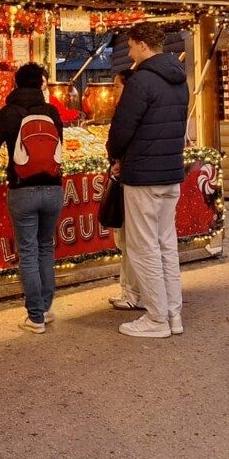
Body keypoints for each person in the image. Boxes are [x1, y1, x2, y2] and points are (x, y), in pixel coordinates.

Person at [106, 21, 190, 338]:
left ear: (142, 45)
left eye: (130, 46)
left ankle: (156, 318)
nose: (128, 52)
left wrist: (115, 154)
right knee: (166, 246)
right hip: (170, 175)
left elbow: (122, 129)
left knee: (143, 248)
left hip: (143, 176)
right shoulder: (178, 80)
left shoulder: (141, 81)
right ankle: (173, 314)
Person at [0, 62, 65, 334]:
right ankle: (46, 309)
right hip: (53, 189)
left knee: (27, 251)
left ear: (15, 84)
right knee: (46, 247)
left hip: (22, 190)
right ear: (41, 84)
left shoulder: (8, 114)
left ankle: (35, 317)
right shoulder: (51, 112)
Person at [105, 70, 142, 311]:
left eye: (117, 86)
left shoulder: (129, 111)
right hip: (153, 179)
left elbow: (119, 139)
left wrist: (117, 159)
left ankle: (133, 293)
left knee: (131, 240)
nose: (114, 90)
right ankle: (135, 291)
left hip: (134, 180)